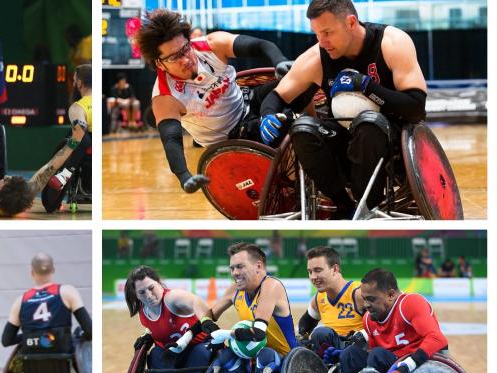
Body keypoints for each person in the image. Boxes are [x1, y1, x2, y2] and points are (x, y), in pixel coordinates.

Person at [259, 0, 427, 218]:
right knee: (302, 129)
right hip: (343, 138)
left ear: (350, 22)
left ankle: (367, 205)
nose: (322, 41)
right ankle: (344, 206)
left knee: (368, 123)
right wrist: (267, 115)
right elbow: (277, 95)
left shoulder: (392, 42)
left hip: (389, 140)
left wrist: (367, 87)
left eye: (327, 32)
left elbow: (416, 109)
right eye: (317, 34)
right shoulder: (317, 56)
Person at [134, 9, 294, 193]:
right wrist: (184, 176)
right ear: (159, 63)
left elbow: (262, 45)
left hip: (248, 101)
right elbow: (172, 142)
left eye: (186, 48)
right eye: (174, 57)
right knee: (290, 126)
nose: (185, 59)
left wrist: (279, 60)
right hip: (232, 138)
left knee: (298, 79)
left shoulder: (212, 44)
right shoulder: (165, 97)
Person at [330, 268, 447, 373]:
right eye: (364, 300)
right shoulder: (369, 320)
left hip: (423, 366)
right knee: (350, 355)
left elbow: (438, 339)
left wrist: (407, 365)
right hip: (393, 367)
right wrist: (342, 353)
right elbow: (372, 359)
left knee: (377, 355)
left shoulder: (410, 303)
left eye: (371, 299)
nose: (366, 305)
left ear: (390, 294)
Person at [209, 242, 297, 373]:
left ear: (258, 266)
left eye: (240, 267)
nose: (234, 273)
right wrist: (204, 324)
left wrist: (226, 333)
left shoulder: (271, 286)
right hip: (253, 355)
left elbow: (258, 334)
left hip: (286, 360)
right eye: (232, 268)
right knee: (226, 356)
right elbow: (210, 314)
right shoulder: (235, 289)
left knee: (266, 355)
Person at [123, 265, 216, 373]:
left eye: (151, 288)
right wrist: (147, 335)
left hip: (197, 347)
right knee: (155, 354)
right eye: (142, 292)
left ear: (159, 283)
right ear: (136, 295)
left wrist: (205, 320)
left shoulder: (172, 298)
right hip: (172, 355)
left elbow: (197, 302)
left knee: (200, 352)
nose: (149, 295)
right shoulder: (143, 312)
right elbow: (160, 327)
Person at [0, 120, 88, 217]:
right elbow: (49, 169)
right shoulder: (20, 197)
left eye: (7, 180)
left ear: (1, 191)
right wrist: (73, 143)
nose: (7, 176)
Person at [1, 252, 92, 346]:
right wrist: (77, 336)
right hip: (63, 357)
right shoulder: (68, 292)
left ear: (32, 273)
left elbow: (6, 341)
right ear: (53, 270)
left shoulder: (20, 301)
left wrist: (32, 337)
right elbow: (90, 331)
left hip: (31, 358)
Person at [42, 63, 93, 212]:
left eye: (75, 79)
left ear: (79, 83)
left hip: (86, 152)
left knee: (75, 136)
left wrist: (67, 170)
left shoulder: (78, 107)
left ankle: (65, 174)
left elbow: (81, 139)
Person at [297, 246, 364, 352]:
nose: (313, 277)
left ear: (335, 269)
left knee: (321, 333)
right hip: (329, 355)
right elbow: (305, 325)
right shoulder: (318, 299)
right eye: (310, 272)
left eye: (318, 270)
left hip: (355, 354)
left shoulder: (359, 293)